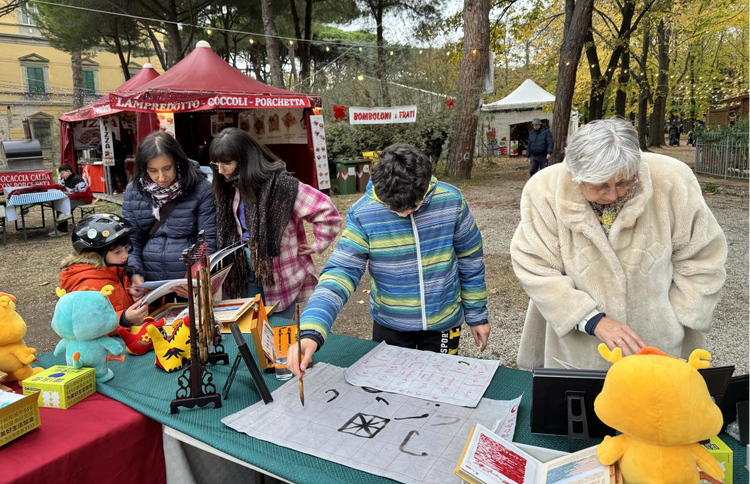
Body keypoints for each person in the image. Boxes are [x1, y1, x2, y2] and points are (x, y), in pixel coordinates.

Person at [510, 118, 727, 370]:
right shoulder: (544, 190)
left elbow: (704, 254)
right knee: (583, 406)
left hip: (656, 341)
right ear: (575, 176)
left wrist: (676, 318)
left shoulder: (672, 180)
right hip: (578, 345)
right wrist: (589, 320)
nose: (613, 194)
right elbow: (534, 264)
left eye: (624, 182)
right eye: (601, 186)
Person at [288, 144, 491, 377]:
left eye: (413, 206)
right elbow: (340, 272)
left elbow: (471, 260)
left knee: (439, 386)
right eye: (393, 208)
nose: (404, 214)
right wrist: (311, 330)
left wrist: (477, 316)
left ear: (425, 184)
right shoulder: (363, 212)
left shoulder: (451, 201)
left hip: (444, 323)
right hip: (390, 326)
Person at [209, 128, 342, 319]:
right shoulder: (228, 187)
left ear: (246, 159)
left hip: (279, 275)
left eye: (226, 164)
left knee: (279, 332)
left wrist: (317, 245)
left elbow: (326, 212)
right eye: (216, 164)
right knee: (247, 325)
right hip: (240, 273)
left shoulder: (282, 186)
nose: (220, 171)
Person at [122, 132, 216, 294]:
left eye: (167, 168)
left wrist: (196, 278)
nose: (161, 177)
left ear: (178, 162)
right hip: (149, 282)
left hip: (187, 281)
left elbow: (207, 239)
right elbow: (131, 240)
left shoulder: (200, 188)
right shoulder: (133, 191)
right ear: (144, 168)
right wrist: (135, 273)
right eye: (153, 170)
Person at [60, 213, 148, 328]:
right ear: (94, 255)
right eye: (118, 252)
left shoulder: (117, 272)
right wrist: (123, 319)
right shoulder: (88, 285)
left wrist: (148, 297)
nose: (126, 255)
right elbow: (85, 326)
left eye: (126, 248)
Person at [52, 164, 93, 236]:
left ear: (68, 171)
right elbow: (58, 186)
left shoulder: (78, 180)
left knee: (63, 206)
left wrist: (68, 197)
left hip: (84, 199)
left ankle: (63, 230)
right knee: (60, 205)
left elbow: (82, 193)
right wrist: (45, 187)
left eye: (62, 173)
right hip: (75, 198)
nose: (62, 176)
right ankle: (61, 226)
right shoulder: (65, 180)